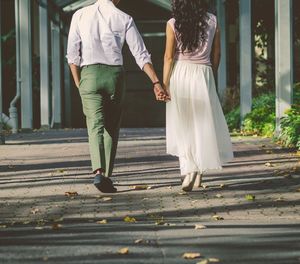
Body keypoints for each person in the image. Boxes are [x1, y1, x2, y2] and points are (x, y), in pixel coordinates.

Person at [67, 0, 169, 193]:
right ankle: (105, 175)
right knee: (111, 127)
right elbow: (141, 54)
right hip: (115, 76)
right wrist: (156, 82)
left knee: (95, 124)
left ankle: (98, 170)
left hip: (88, 74)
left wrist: (79, 83)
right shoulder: (124, 18)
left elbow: (73, 56)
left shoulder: (79, 15)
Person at [163, 0, 234, 192]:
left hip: (181, 74)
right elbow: (216, 54)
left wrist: (165, 83)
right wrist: (211, 74)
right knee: (202, 124)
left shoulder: (173, 23)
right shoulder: (213, 21)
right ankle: (198, 174)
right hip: (204, 73)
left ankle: (189, 172)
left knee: (183, 124)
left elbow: (169, 57)